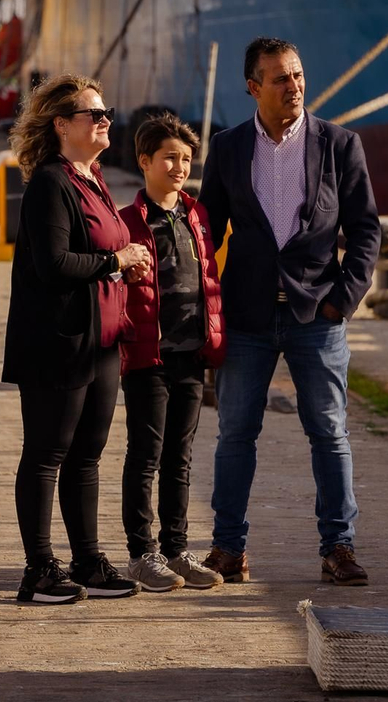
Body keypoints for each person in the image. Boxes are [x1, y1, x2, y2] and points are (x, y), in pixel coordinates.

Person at [197, 37, 381, 586]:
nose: (293, 86)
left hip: (316, 318)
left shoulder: (339, 144)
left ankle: (338, 548)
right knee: (234, 434)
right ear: (253, 87)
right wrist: (204, 302)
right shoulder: (228, 148)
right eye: (279, 78)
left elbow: (365, 231)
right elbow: (206, 230)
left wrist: (342, 299)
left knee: (329, 432)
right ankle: (228, 549)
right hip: (246, 316)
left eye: (298, 75)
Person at [2, 74, 148, 605]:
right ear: (62, 125)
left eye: (107, 112)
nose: (106, 119)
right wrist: (117, 260)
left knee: (88, 456)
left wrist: (120, 268)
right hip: (57, 341)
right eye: (95, 114)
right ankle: (39, 569)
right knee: (46, 454)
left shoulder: (93, 176)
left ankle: (87, 560)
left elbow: (97, 254)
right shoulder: (50, 183)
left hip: (103, 338)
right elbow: (54, 263)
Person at [116, 113, 225, 592]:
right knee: (145, 456)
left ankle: (177, 550)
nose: (179, 167)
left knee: (180, 458)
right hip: (148, 357)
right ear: (145, 161)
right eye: (169, 158)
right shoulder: (127, 222)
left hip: (191, 354)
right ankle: (142, 555)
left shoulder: (197, 216)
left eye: (186, 159)